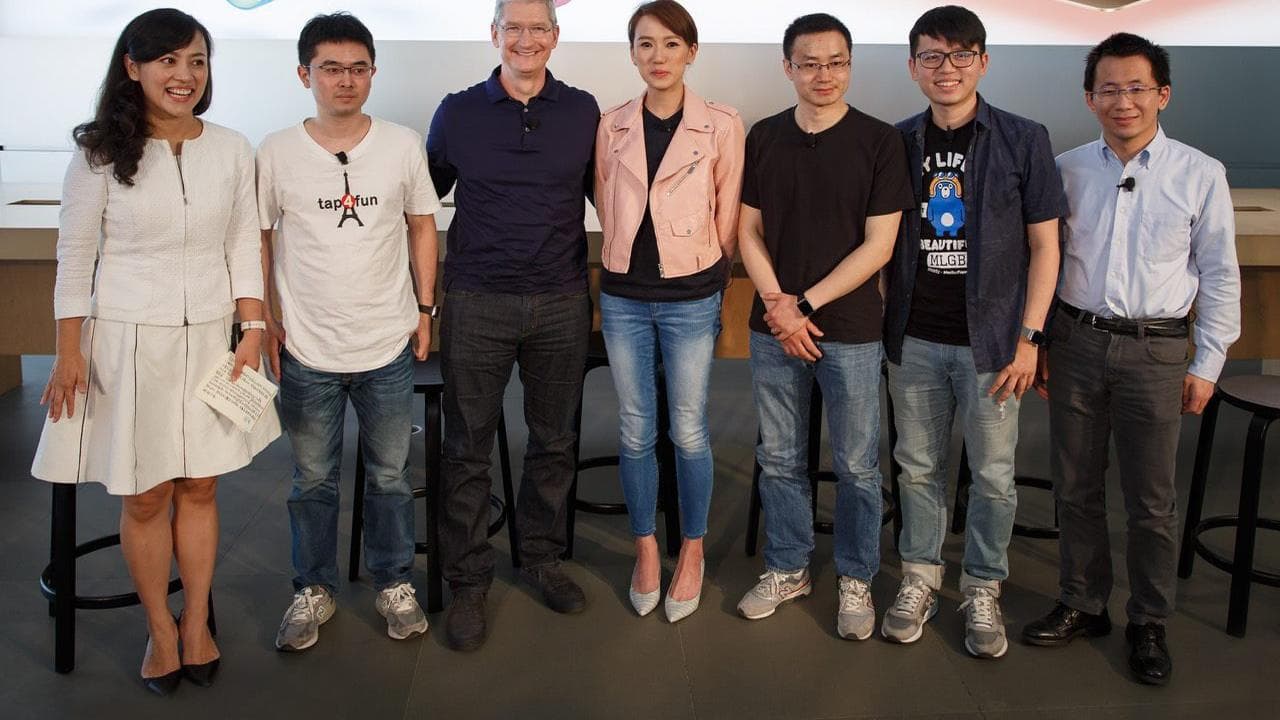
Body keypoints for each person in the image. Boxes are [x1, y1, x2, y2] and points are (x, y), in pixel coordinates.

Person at [31, 8, 279, 695]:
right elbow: (76, 256)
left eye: (196, 60)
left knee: (200, 484)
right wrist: (69, 351)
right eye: (168, 61)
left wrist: (254, 327)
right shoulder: (99, 153)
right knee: (145, 496)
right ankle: (160, 628)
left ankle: (196, 619)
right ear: (133, 67)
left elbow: (240, 243)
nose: (184, 75)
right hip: (127, 340)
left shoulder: (232, 147)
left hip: (210, 340)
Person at [1022, 32, 1240, 686]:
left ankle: (1149, 618)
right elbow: (1045, 260)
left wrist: (1208, 362)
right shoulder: (1065, 169)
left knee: (1151, 498)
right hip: (1077, 342)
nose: (1124, 101)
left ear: (1162, 94)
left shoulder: (1200, 174)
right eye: (1109, 89)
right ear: (1090, 98)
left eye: (1137, 87)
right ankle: (1084, 601)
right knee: (1076, 485)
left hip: (1158, 348)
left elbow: (1220, 276)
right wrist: (1040, 343)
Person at [880, 5, 1065, 659]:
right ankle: (921, 579)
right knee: (918, 469)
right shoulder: (895, 142)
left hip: (992, 346)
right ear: (912, 67)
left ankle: (982, 588)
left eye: (961, 55)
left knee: (992, 475)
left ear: (983, 62)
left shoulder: (1023, 138)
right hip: (915, 337)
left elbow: (1046, 247)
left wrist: (1030, 339)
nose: (946, 68)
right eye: (931, 56)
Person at [257, 12, 441, 652]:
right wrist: (266, 317)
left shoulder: (401, 143)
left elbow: (423, 225)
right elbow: (261, 236)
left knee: (390, 476)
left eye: (358, 68)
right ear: (305, 73)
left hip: (386, 340)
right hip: (307, 345)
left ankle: (394, 581)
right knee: (312, 480)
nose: (346, 80)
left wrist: (425, 309)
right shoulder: (276, 151)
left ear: (372, 73)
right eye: (331, 69)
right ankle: (312, 587)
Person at [427, 0, 600, 651]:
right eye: (514, 27)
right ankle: (469, 581)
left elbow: (608, 194)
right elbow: (423, 193)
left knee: (554, 439)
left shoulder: (583, 111)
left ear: (555, 37)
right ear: (493, 34)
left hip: (560, 299)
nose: (526, 39)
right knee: (468, 444)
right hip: (476, 301)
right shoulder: (458, 111)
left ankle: (541, 557)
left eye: (538, 28)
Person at [736, 13, 913, 641]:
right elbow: (747, 232)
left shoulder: (879, 141)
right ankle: (788, 567)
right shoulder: (764, 136)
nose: (824, 74)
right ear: (787, 67)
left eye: (836, 62)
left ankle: (857, 575)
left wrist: (801, 305)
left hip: (852, 328)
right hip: (774, 326)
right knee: (780, 456)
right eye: (809, 63)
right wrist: (778, 307)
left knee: (860, 463)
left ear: (850, 65)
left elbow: (880, 244)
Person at [594, 0, 744, 623]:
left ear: (692, 51)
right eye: (645, 45)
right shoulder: (610, 125)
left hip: (691, 297)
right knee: (634, 428)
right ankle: (647, 550)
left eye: (671, 44)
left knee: (687, 428)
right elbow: (604, 202)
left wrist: (705, 275)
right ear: (631, 52)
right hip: (625, 297)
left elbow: (728, 213)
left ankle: (692, 550)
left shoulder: (723, 124)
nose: (658, 57)